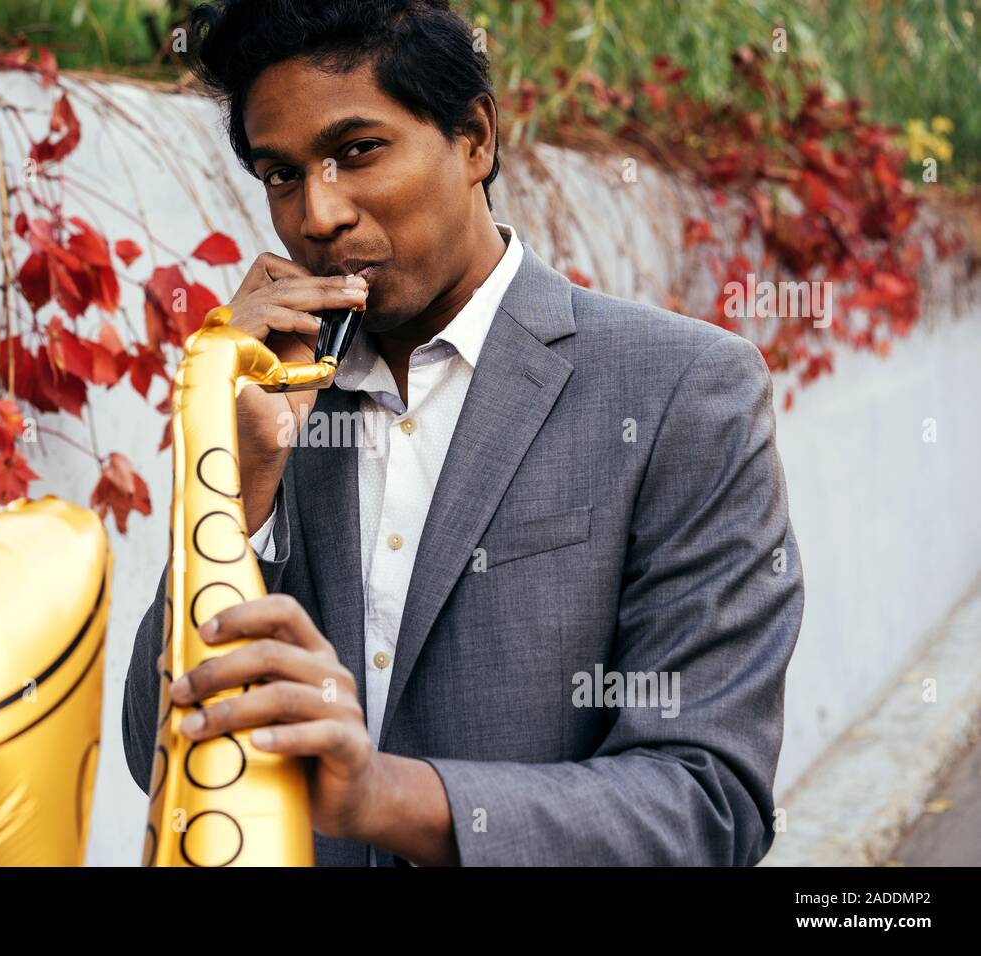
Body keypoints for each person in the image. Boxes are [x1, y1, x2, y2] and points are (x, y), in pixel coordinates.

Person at [123, 0, 804, 866]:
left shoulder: (681, 388)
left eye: (356, 151)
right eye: (281, 175)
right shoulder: (272, 393)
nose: (317, 215)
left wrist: (384, 796)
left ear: (475, 138)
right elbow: (162, 751)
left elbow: (708, 802)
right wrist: (239, 480)